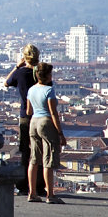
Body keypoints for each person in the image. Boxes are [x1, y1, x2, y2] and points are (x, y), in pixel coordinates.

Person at [5, 44, 44, 195]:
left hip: (25, 116)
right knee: (39, 151)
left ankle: (23, 185)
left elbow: (7, 82)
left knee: (25, 152)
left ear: (24, 57)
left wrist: (16, 66)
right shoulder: (41, 73)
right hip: (40, 114)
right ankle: (39, 185)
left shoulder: (20, 73)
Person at [25, 62, 66, 204]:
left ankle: (32, 193)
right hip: (46, 122)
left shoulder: (31, 90)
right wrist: (60, 133)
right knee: (48, 159)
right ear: (48, 75)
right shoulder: (49, 90)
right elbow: (54, 113)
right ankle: (50, 195)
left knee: (34, 159)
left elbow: (28, 111)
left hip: (33, 122)